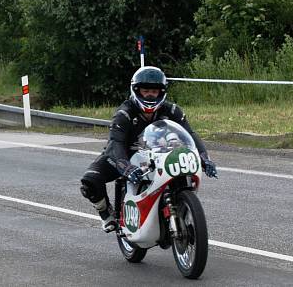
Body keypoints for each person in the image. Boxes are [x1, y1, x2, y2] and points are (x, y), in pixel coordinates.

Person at [80, 66, 218, 233]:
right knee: (90, 180)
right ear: (137, 90)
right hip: (124, 156)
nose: (151, 95)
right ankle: (106, 214)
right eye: (146, 90)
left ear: (162, 92)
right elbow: (115, 143)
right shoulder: (124, 113)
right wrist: (126, 167)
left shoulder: (172, 110)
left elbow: (190, 135)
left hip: (159, 156)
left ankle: (178, 208)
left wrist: (204, 158)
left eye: (154, 91)